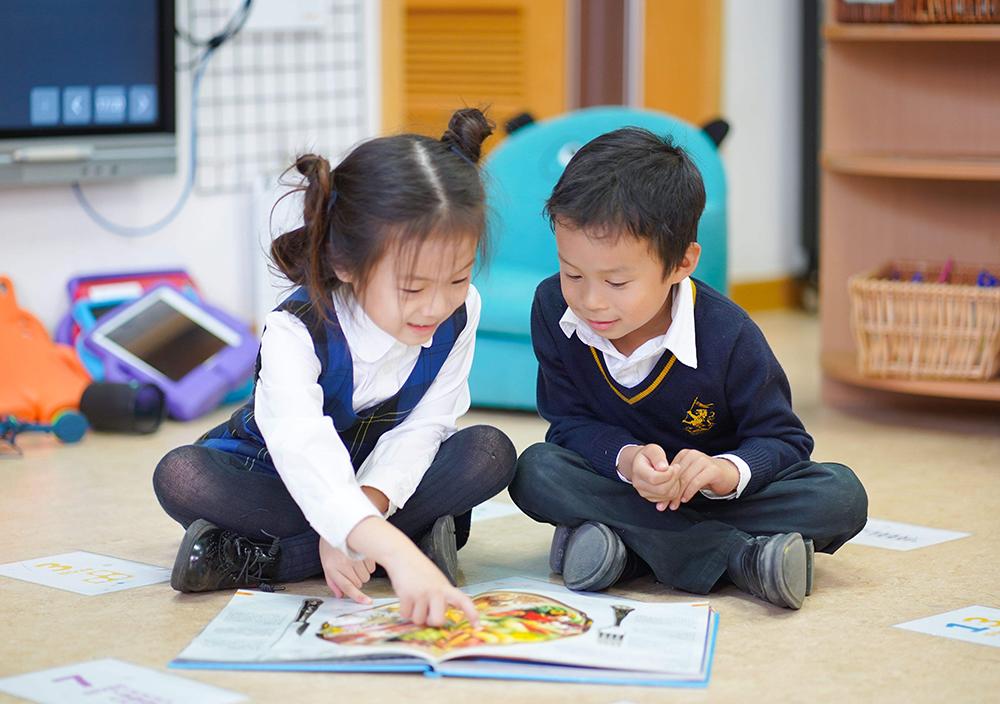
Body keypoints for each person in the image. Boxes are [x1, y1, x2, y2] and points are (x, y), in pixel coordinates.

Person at [153, 108, 516, 626]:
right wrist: (393, 548)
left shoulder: (463, 310)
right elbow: (303, 449)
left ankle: (266, 558)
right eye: (412, 288)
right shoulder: (294, 329)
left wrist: (359, 514)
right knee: (182, 475)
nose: (437, 306)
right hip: (278, 471)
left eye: (456, 279)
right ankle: (400, 542)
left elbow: (425, 427)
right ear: (346, 263)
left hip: (379, 480)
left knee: (488, 451)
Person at [510, 127, 867, 609]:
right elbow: (569, 424)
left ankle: (628, 552)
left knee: (840, 495)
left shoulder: (729, 334)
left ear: (681, 262)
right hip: (626, 488)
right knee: (536, 470)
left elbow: (785, 442)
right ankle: (742, 559)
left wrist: (723, 471)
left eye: (616, 281)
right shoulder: (553, 307)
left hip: (722, 495)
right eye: (573, 273)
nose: (590, 300)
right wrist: (629, 460)